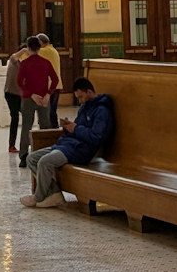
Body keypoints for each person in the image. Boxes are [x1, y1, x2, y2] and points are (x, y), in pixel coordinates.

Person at [21, 78, 114, 208]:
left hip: (81, 150)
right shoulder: (84, 108)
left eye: (81, 97)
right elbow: (78, 127)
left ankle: (38, 197)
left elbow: (96, 137)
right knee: (32, 158)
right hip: (68, 145)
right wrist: (68, 127)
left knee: (45, 162)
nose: (80, 101)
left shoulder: (102, 111)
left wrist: (75, 128)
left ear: (89, 92)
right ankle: (55, 193)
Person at [13, 39, 59, 169]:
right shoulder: (46, 63)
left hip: (29, 98)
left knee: (26, 127)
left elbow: (20, 82)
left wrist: (31, 94)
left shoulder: (25, 64)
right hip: (44, 98)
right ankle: (44, 154)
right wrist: (48, 94)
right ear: (39, 48)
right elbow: (55, 79)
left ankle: (23, 156)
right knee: (45, 126)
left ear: (28, 48)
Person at [2, 42, 29, 154]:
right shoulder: (14, 62)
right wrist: (23, 50)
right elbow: (14, 56)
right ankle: (11, 145)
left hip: (20, 95)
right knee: (15, 117)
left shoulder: (25, 65)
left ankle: (27, 142)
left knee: (27, 116)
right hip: (11, 94)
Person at [34, 34, 63, 124]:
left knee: (46, 112)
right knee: (53, 110)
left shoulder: (44, 51)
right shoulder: (54, 51)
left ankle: (48, 131)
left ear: (41, 43)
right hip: (57, 85)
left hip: (48, 86)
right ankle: (55, 129)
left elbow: (27, 56)